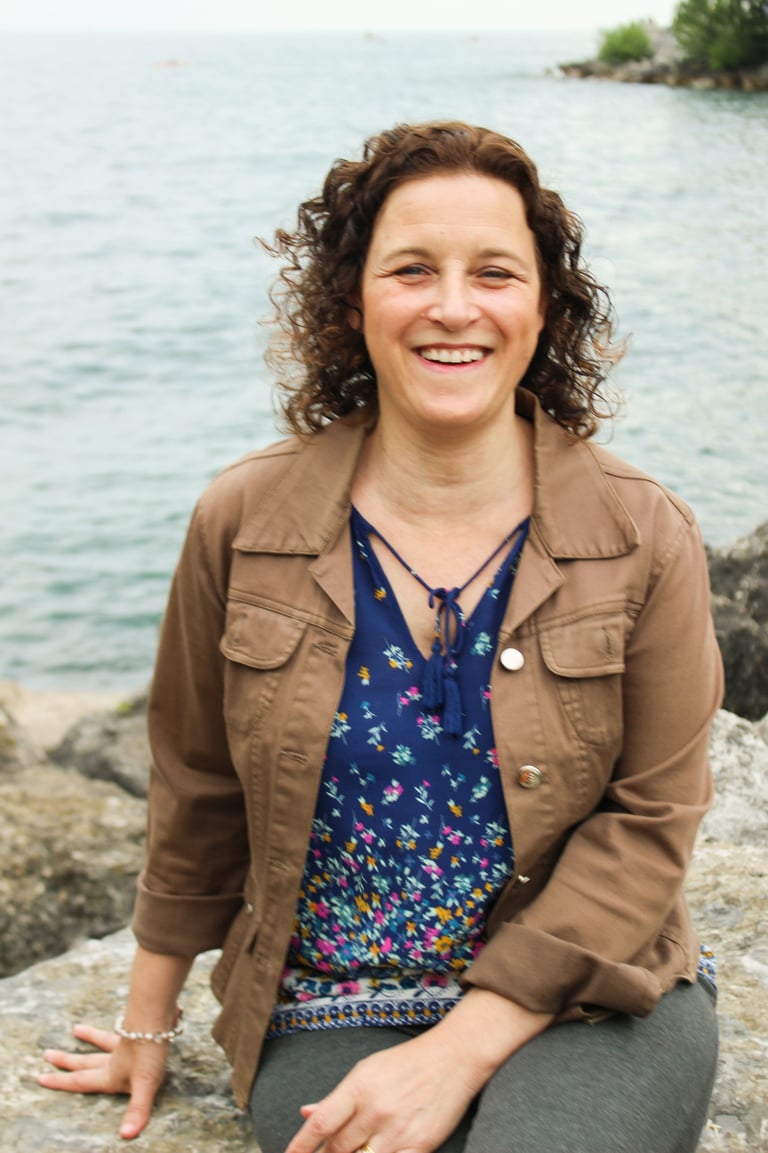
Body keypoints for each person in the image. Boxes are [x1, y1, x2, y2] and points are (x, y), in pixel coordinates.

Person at [39, 121, 723, 1153]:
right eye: (413, 270)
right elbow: (195, 783)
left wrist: (461, 1048)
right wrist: (149, 1019)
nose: (454, 306)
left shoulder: (642, 534)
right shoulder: (243, 521)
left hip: (592, 990)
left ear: (545, 305)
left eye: (494, 272)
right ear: (353, 298)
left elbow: (652, 820)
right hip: (331, 1002)